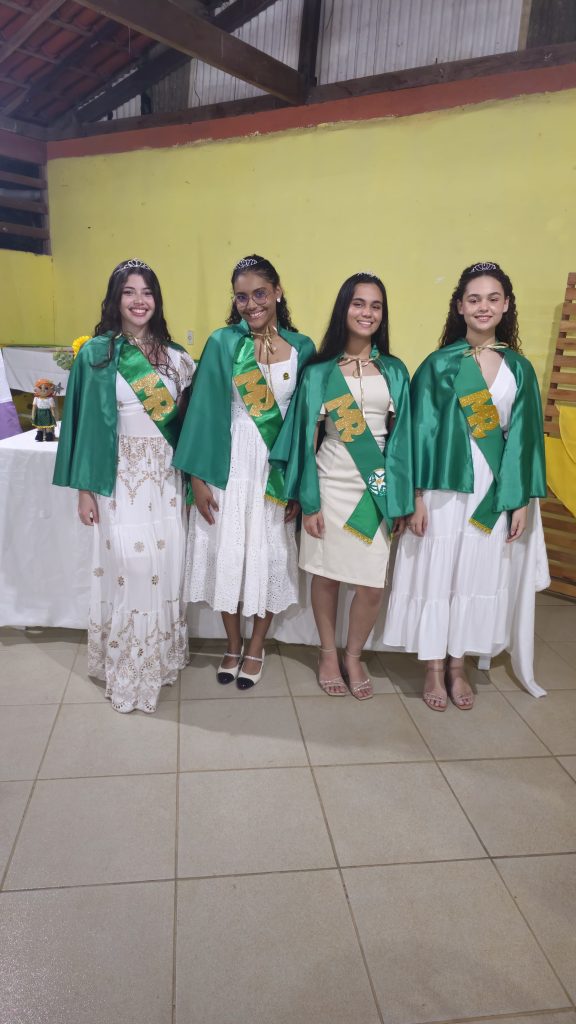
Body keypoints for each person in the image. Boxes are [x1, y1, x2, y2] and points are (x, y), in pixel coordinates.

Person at [383, 261, 549, 709]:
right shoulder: (438, 365)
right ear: (459, 306)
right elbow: (417, 434)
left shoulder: (520, 369)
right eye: (474, 299)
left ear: (506, 305)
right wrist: (415, 496)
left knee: (475, 571)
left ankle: (458, 667)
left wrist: (519, 501)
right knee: (437, 571)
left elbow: (524, 440)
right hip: (443, 486)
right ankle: (433, 669)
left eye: (493, 298)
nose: (483, 307)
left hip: (490, 489)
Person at [53, 258, 194, 713]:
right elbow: (81, 425)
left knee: (163, 568)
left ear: (157, 300)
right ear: (116, 300)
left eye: (147, 292)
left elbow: (189, 426)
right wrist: (84, 489)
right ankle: (129, 670)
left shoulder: (178, 358)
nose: (139, 301)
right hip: (120, 481)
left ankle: (158, 660)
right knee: (132, 570)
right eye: (129, 292)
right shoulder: (97, 354)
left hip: (166, 480)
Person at [173, 254, 315, 689]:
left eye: (260, 293)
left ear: (277, 292)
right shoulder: (222, 343)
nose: (251, 304)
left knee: (269, 554)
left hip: (274, 469)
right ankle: (232, 644)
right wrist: (197, 479)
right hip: (228, 464)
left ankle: (257, 645)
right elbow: (202, 412)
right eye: (241, 297)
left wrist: (296, 485)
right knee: (228, 553)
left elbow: (304, 424)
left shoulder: (303, 348)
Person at [272, 272, 413, 699]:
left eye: (376, 305)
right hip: (331, 481)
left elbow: (405, 439)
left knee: (371, 584)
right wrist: (309, 502)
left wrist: (400, 499)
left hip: (376, 485)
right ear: (344, 309)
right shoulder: (319, 373)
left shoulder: (394, 370)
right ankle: (328, 654)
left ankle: (354, 655)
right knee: (327, 577)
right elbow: (306, 440)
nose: (367, 312)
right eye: (358, 303)